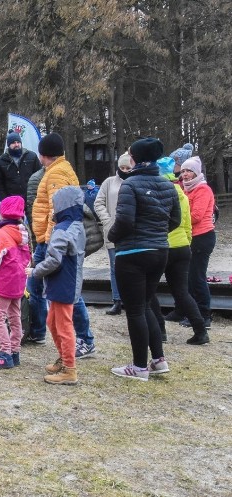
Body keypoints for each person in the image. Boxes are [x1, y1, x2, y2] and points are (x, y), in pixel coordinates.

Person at [108, 138, 179, 381]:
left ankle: (139, 366)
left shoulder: (130, 184)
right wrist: (156, 235)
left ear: (135, 159)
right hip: (160, 251)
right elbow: (175, 221)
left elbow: (125, 221)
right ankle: (158, 360)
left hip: (132, 254)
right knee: (146, 304)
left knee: (136, 310)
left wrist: (113, 236)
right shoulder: (168, 186)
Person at [26, 133, 96, 359]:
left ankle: (85, 339)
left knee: (66, 292)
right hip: (49, 239)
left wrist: (49, 241)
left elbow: (58, 212)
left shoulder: (56, 174)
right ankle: (36, 331)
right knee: (38, 287)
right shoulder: (59, 169)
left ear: (42, 154)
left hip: (51, 241)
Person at [26, 186, 86, 385]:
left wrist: (35, 271)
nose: (52, 210)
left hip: (63, 284)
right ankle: (64, 359)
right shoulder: (76, 225)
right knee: (53, 322)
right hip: (67, 282)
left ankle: (69, 369)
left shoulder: (62, 229)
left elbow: (53, 260)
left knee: (63, 326)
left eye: (54, 206)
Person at [149, 157, 208, 344]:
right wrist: (187, 242)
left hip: (162, 247)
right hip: (182, 247)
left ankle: (160, 332)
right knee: (182, 292)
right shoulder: (181, 193)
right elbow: (188, 223)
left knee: (148, 290)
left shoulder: (158, 193)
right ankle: (201, 331)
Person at [0, 195, 31, 369]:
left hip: (4, 282)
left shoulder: (1, 234)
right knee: (15, 316)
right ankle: (15, 351)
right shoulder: (22, 232)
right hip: (18, 281)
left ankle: (5, 353)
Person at [178, 156, 216, 333]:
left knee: (197, 277)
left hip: (202, 237)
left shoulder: (202, 189)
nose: (185, 174)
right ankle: (188, 312)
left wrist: (175, 220)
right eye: (183, 171)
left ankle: (204, 315)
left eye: (189, 171)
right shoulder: (185, 189)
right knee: (188, 277)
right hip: (190, 238)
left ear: (196, 173)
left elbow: (196, 216)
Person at [94, 153, 132, 316]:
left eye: (128, 168)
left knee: (131, 267)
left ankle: (130, 300)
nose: (125, 170)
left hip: (131, 232)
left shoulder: (135, 182)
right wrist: (107, 220)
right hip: (113, 231)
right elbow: (98, 202)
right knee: (115, 267)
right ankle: (117, 300)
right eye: (122, 168)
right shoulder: (109, 183)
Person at [0, 131, 42, 203]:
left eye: (18, 142)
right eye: (13, 143)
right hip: (12, 202)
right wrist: (5, 201)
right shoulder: (0, 162)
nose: (16, 144)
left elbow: (40, 176)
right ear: (9, 145)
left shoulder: (32, 157)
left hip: (31, 199)